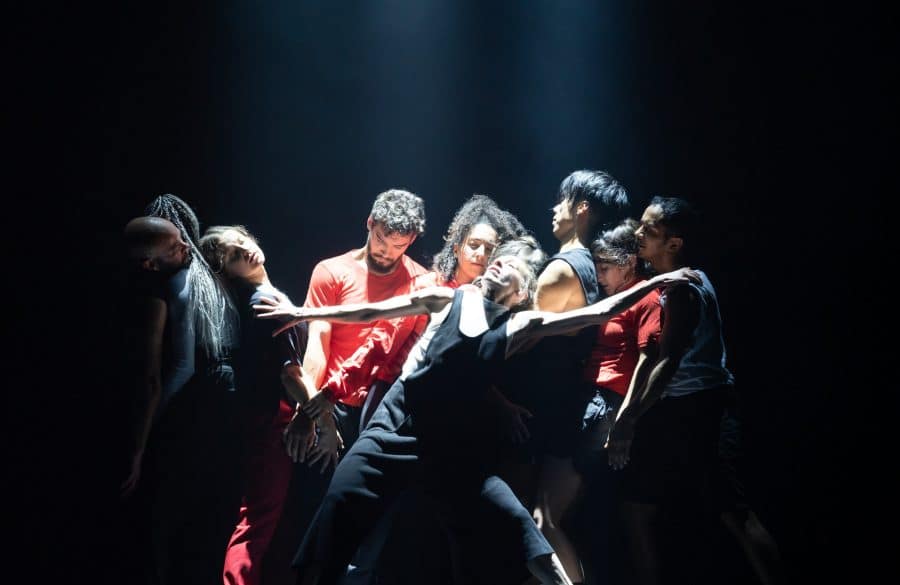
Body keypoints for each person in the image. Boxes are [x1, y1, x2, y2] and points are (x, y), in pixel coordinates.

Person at [255, 241, 697, 585]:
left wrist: (663, 280)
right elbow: (371, 310)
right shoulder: (451, 298)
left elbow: (603, 308)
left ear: (522, 293)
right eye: (499, 262)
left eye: (515, 270)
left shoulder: (520, 325)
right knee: (339, 505)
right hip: (395, 426)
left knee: (513, 520)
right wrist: (303, 311)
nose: (501, 266)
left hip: (448, 445)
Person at [503, 169, 630, 584]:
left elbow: (520, 345)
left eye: (562, 200)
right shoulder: (597, 266)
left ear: (582, 208)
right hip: (577, 407)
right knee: (553, 520)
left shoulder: (562, 270)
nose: (554, 209)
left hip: (546, 411)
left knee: (542, 519)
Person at [607, 196, 734, 585]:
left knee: (729, 511)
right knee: (663, 509)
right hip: (695, 405)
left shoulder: (682, 288)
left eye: (650, 230)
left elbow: (667, 362)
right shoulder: (679, 281)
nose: (639, 234)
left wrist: (627, 421)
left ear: (673, 244)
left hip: (691, 409)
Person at [120, 193, 242, 585]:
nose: (186, 245)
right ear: (149, 262)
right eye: (174, 245)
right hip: (226, 399)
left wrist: (147, 428)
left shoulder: (177, 285)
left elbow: (179, 368)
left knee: (171, 512)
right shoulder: (208, 279)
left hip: (198, 406)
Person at [198, 225, 318, 585]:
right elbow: (289, 373)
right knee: (257, 521)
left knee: (268, 519)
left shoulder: (268, 296)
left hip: (268, 420)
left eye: (242, 241)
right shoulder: (262, 302)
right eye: (233, 254)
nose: (244, 250)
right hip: (271, 422)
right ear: (225, 271)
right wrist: (318, 415)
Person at [575, 218, 665, 583]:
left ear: (629, 262)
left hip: (610, 404)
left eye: (605, 266)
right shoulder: (614, 294)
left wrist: (623, 421)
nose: (598, 273)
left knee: (596, 505)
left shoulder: (646, 296)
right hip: (591, 399)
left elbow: (649, 360)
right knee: (582, 505)